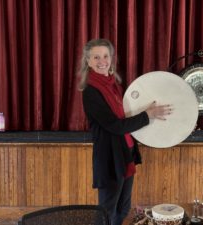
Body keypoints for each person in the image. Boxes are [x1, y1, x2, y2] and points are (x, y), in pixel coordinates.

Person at [78, 38, 172, 225]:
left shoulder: (113, 85)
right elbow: (115, 125)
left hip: (125, 152)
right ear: (88, 61)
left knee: (122, 209)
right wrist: (147, 115)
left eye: (105, 56)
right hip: (109, 157)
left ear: (111, 58)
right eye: (96, 57)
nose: (102, 61)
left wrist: (147, 111)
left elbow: (123, 117)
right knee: (107, 211)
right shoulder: (90, 91)